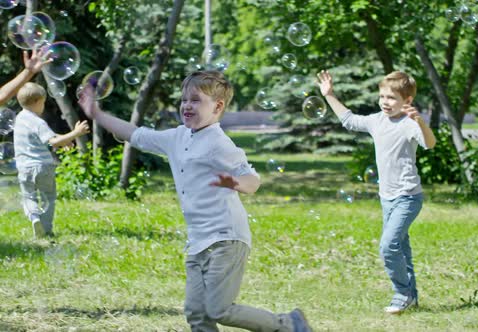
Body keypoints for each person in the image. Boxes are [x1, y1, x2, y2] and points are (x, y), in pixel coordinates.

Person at [78, 70, 313, 332]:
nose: (187, 105)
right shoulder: (177, 137)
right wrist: (96, 113)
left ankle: (287, 324)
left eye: (196, 100)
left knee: (219, 309)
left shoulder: (219, 144)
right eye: (184, 100)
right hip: (198, 241)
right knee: (196, 314)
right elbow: (136, 135)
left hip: (226, 239)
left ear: (218, 107)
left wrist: (235, 183)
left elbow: (252, 180)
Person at [317, 69, 436, 314]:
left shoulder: (409, 124)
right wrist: (329, 95)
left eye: (391, 98)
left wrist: (421, 122)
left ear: (407, 101)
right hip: (387, 198)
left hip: (408, 196)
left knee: (388, 246)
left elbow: (429, 143)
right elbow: (349, 120)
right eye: (382, 96)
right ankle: (411, 296)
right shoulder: (376, 121)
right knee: (401, 248)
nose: (385, 102)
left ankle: (401, 293)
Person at [14, 82, 90, 238]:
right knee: (48, 197)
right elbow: (54, 141)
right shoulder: (38, 121)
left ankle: (34, 218)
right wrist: (75, 133)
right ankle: (46, 229)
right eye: (43, 103)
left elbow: (43, 140)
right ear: (37, 102)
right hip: (43, 167)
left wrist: (63, 142)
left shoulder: (19, 119)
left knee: (28, 197)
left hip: (24, 168)